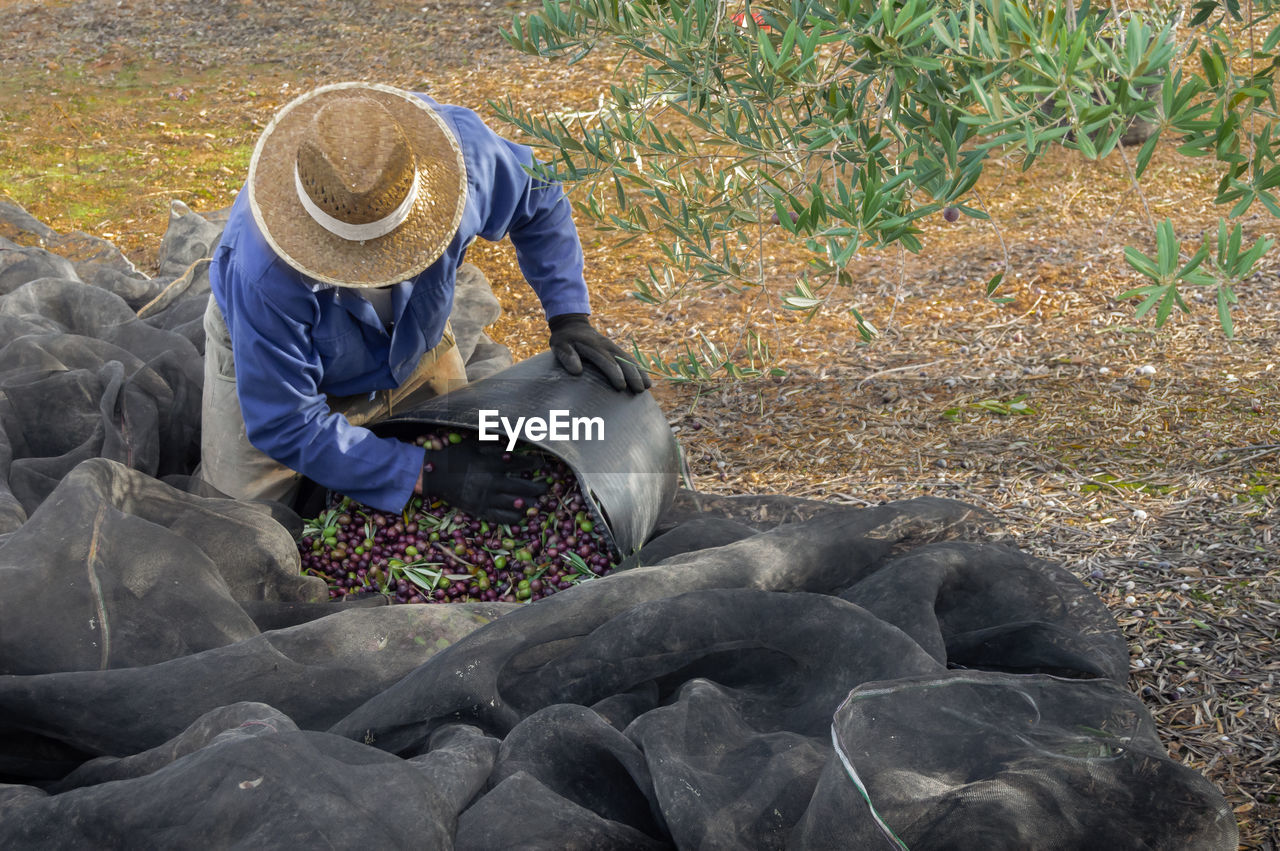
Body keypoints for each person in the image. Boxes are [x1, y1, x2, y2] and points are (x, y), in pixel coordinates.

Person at [201, 81, 649, 523]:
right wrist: (429, 475)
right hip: (276, 368)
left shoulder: (462, 160)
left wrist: (569, 315)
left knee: (472, 450)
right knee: (248, 526)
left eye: (397, 254)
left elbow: (540, 194)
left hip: (412, 340)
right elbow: (285, 422)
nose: (378, 271)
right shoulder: (262, 273)